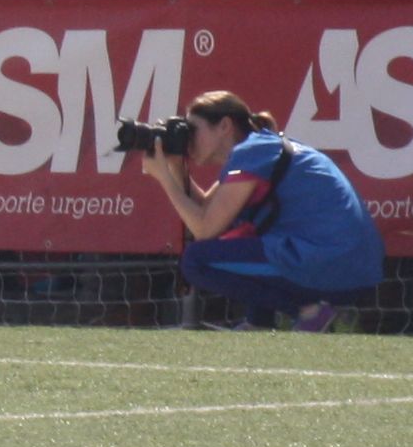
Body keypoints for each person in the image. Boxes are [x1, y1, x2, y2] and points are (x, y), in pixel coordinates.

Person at [146, 88, 383, 331]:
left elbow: (205, 229)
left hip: (333, 263)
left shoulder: (250, 155)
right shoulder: (260, 150)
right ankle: (259, 321)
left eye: (193, 130)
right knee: (255, 241)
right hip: (353, 266)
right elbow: (208, 209)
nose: (189, 140)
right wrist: (176, 168)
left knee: (195, 261)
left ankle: (308, 311)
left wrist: (164, 178)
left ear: (224, 126)